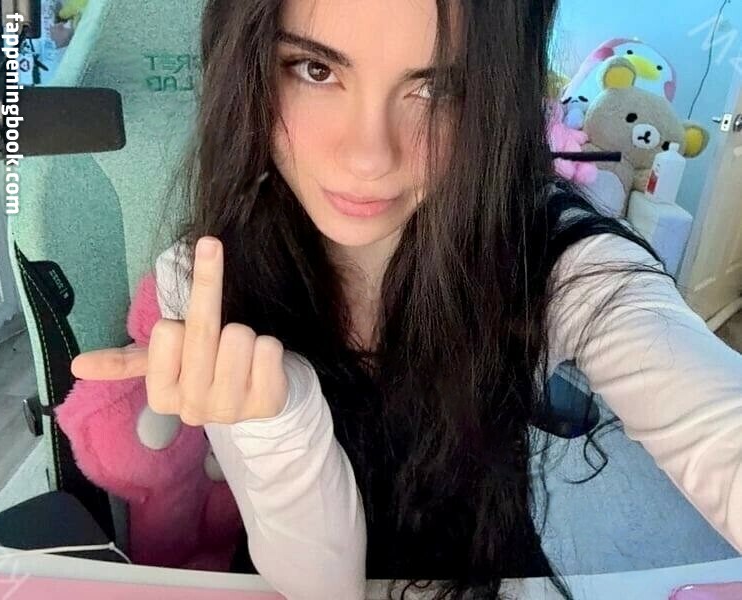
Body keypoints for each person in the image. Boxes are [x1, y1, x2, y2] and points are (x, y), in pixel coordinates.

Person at [70, 0, 742, 598]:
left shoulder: (554, 258)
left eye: (438, 87)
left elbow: (714, 424)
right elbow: (320, 588)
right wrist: (281, 419)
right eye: (315, 70)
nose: (370, 156)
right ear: (248, 69)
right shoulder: (208, 280)